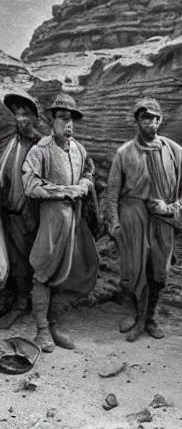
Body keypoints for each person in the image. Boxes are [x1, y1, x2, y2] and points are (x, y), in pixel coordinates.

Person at [107, 98, 182, 342]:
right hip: (133, 217)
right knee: (137, 268)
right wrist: (113, 222)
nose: (151, 122)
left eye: (155, 118)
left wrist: (174, 206)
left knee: (159, 270)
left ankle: (150, 317)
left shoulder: (174, 151)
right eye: (145, 117)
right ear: (137, 120)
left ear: (161, 120)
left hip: (163, 219)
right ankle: (139, 317)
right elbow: (112, 191)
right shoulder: (124, 153)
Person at [22, 94, 99, 353]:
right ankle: (41, 331)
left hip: (73, 218)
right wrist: (63, 191)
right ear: (51, 120)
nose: (68, 125)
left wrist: (85, 185)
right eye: (63, 119)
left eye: (71, 120)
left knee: (64, 271)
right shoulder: (41, 150)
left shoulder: (78, 149)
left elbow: (88, 172)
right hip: (51, 216)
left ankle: (53, 326)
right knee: (44, 270)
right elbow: (30, 183)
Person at [0, 92, 41, 329]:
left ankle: (28, 305)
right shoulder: (11, 144)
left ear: (35, 118)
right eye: (16, 113)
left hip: (30, 217)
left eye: (25, 113)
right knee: (15, 261)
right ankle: (20, 299)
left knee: (30, 261)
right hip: (10, 214)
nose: (20, 118)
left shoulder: (40, 145)